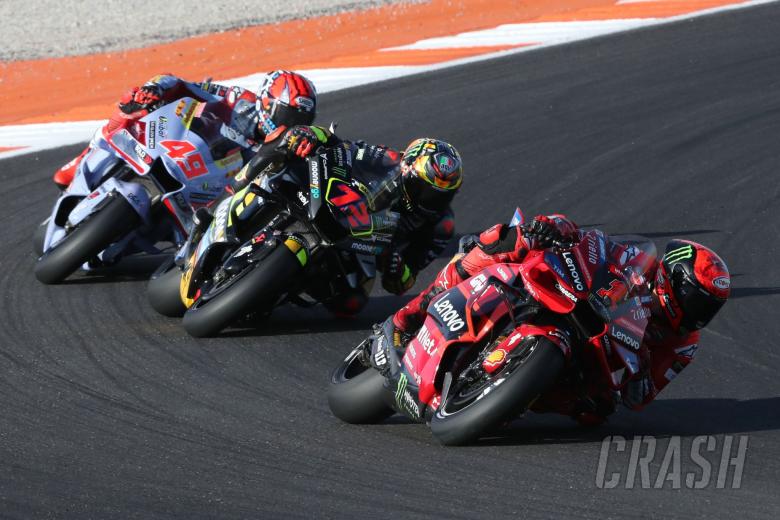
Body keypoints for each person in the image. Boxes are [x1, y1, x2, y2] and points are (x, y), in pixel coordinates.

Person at [386, 214, 731, 424]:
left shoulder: (684, 345)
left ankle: (505, 395)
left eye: (709, 308)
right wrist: (557, 228)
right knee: (508, 240)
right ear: (674, 281)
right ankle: (410, 315)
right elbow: (595, 245)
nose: (700, 315)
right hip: (575, 303)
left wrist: (636, 366)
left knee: (596, 411)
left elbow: (640, 397)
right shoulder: (639, 262)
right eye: (698, 302)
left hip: (599, 357)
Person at [214, 125, 464, 315]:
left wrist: (396, 266)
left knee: (351, 303)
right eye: (426, 189)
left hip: (365, 248)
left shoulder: (441, 226)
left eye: (442, 195)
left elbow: (403, 283)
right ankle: (235, 190)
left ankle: (276, 290)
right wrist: (310, 136)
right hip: (330, 203)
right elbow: (339, 144)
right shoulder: (387, 159)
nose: (431, 200)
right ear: (408, 170)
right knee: (285, 136)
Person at [52, 70, 318, 189]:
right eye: (287, 114)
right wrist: (153, 90)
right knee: (136, 107)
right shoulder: (240, 99)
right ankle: (91, 152)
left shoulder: (287, 148)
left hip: (210, 186)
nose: (290, 124)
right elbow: (182, 84)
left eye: (298, 120)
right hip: (181, 144)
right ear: (268, 101)